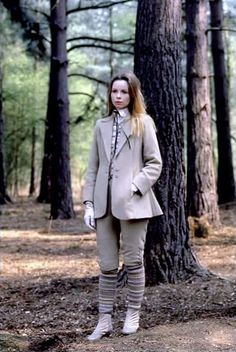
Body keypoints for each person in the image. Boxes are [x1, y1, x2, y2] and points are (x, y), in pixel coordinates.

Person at [83, 71, 162, 341]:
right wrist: (88, 204)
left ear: (132, 94)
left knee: (133, 261)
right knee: (106, 265)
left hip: (134, 204)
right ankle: (104, 320)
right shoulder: (100, 125)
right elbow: (92, 168)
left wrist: (135, 185)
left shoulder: (144, 123)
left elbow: (155, 163)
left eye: (123, 92)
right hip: (104, 206)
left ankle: (132, 313)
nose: (118, 96)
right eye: (114, 92)